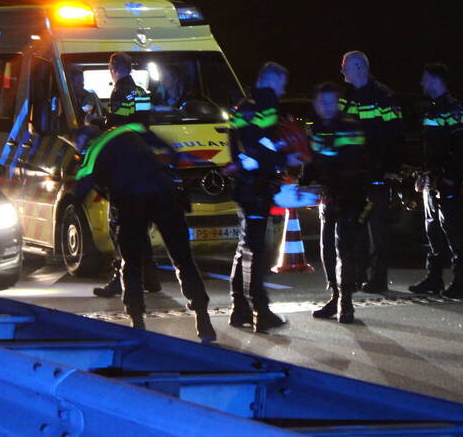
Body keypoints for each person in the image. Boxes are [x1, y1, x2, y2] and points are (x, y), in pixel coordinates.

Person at [70, 122, 216, 342]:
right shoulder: (126, 130)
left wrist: (72, 202)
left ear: (83, 140)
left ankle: (137, 321)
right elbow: (167, 147)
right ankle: (203, 319)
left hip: (132, 202)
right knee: (183, 259)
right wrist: (171, 168)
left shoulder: (92, 153)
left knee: (131, 262)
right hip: (165, 194)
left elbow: (80, 190)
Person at [228, 61, 300, 333]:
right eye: (282, 85)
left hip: (246, 186)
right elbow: (261, 145)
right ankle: (261, 311)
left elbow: (246, 146)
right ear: (270, 81)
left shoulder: (243, 105)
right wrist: (285, 157)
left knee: (245, 248)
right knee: (257, 252)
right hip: (256, 186)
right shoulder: (265, 103)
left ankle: (239, 310)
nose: (282, 92)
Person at [93, 52, 160, 298]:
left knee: (118, 225)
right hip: (142, 160)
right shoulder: (141, 93)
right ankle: (151, 277)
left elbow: (117, 125)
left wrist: (98, 121)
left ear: (113, 68)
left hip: (123, 164)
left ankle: (118, 279)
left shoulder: (120, 93)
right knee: (140, 222)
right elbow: (143, 124)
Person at [339, 50, 404, 293]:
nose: (342, 71)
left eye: (345, 66)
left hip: (377, 172)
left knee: (377, 228)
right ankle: (357, 275)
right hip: (354, 174)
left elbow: (395, 135)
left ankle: (378, 278)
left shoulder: (383, 96)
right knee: (356, 226)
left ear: (359, 68)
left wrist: (391, 169)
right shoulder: (346, 96)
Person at [408, 63, 463, 298]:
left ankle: (460, 283)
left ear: (436, 80)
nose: (422, 83)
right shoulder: (432, 109)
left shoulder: (453, 108)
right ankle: (434, 278)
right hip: (432, 180)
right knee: (433, 229)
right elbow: (430, 148)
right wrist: (424, 174)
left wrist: (446, 175)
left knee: (453, 231)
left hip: (447, 180)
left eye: (425, 79)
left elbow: (460, 146)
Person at [304, 82, 366, 323]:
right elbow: (313, 158)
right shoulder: (318, 126)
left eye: (332, 102)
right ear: (317, 104)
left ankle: (346, 303)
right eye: (323, 102)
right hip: (328, 199)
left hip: (348, 198)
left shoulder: (348, 127)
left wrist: (326, 183)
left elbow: (350, 165)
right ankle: (335, 295)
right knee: (326, 248)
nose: (327, 107)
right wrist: (306, 181)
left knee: (344, 250)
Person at [105, 52, 150, 128]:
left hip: (128, 137)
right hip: (142, 137)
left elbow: (115, 124)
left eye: (110, 68)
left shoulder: (119, 93)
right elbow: (144, 119)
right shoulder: (141, 91)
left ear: (113, 70)